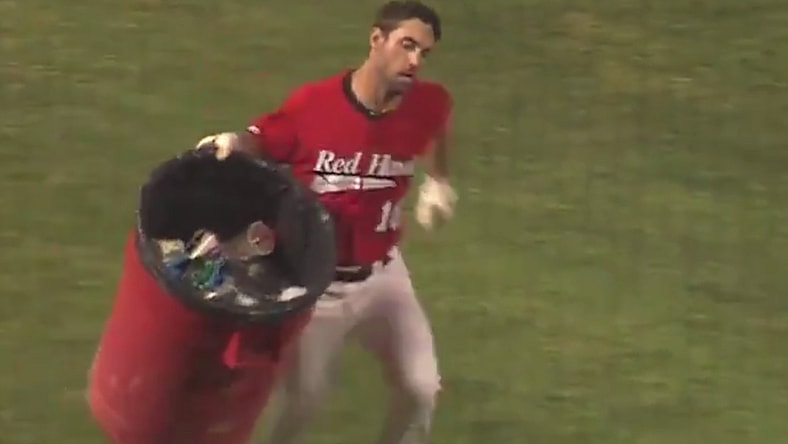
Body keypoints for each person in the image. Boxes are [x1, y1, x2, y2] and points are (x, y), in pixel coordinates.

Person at [195, 2, 457, 443]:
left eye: (424, 53)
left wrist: (439, 181)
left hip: (384, 276)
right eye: (406, 45)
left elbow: (439, 124)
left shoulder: (427, 102)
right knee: (304, 401)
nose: (414, 61)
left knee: (421, 388)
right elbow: (262, 141)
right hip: (318, 285)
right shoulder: (314, 105)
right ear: (377, 40)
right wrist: (231, 143)